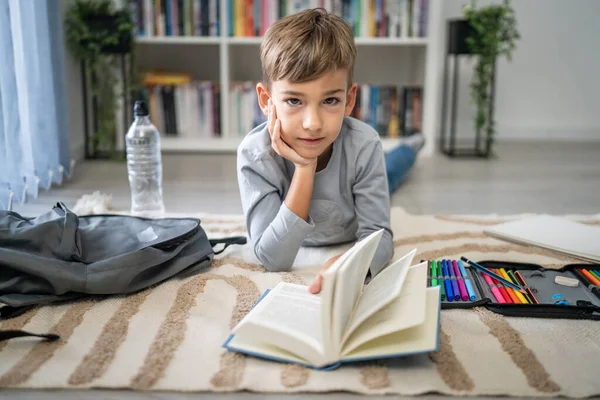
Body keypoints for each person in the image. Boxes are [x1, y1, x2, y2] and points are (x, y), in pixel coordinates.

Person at [236, 8, 424, 294]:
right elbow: (273, 259)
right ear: (266, 100)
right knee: (389, 170)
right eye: (294, 101)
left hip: (365, 159)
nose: (313, 124)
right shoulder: (254, 155)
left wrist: (352, 263)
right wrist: (304, 168)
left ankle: (411, 145)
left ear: (349, 100)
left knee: (393, 169)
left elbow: (380, 236)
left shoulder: (364, 144)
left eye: (330, 100)